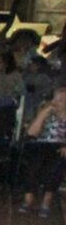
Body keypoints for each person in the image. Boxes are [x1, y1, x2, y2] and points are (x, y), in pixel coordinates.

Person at [18, 86, 66, 217]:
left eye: (61, 99)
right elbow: (31, 132)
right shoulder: (45, 109)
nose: (56, 102)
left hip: (61, 145)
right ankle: (28, 199)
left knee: (57, 163)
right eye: (55, 98)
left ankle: (47, 200)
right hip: (41, 143)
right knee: (34, 162)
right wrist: (44, 112)